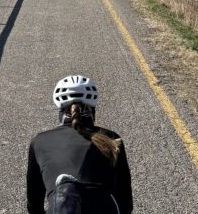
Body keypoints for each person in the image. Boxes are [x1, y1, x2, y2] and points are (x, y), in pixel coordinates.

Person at [26, 75, 133, 213]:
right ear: (92, 110)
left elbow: (34, 203)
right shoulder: (111, 138)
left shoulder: (39, 141)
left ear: (61, 110)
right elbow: (125, 201)